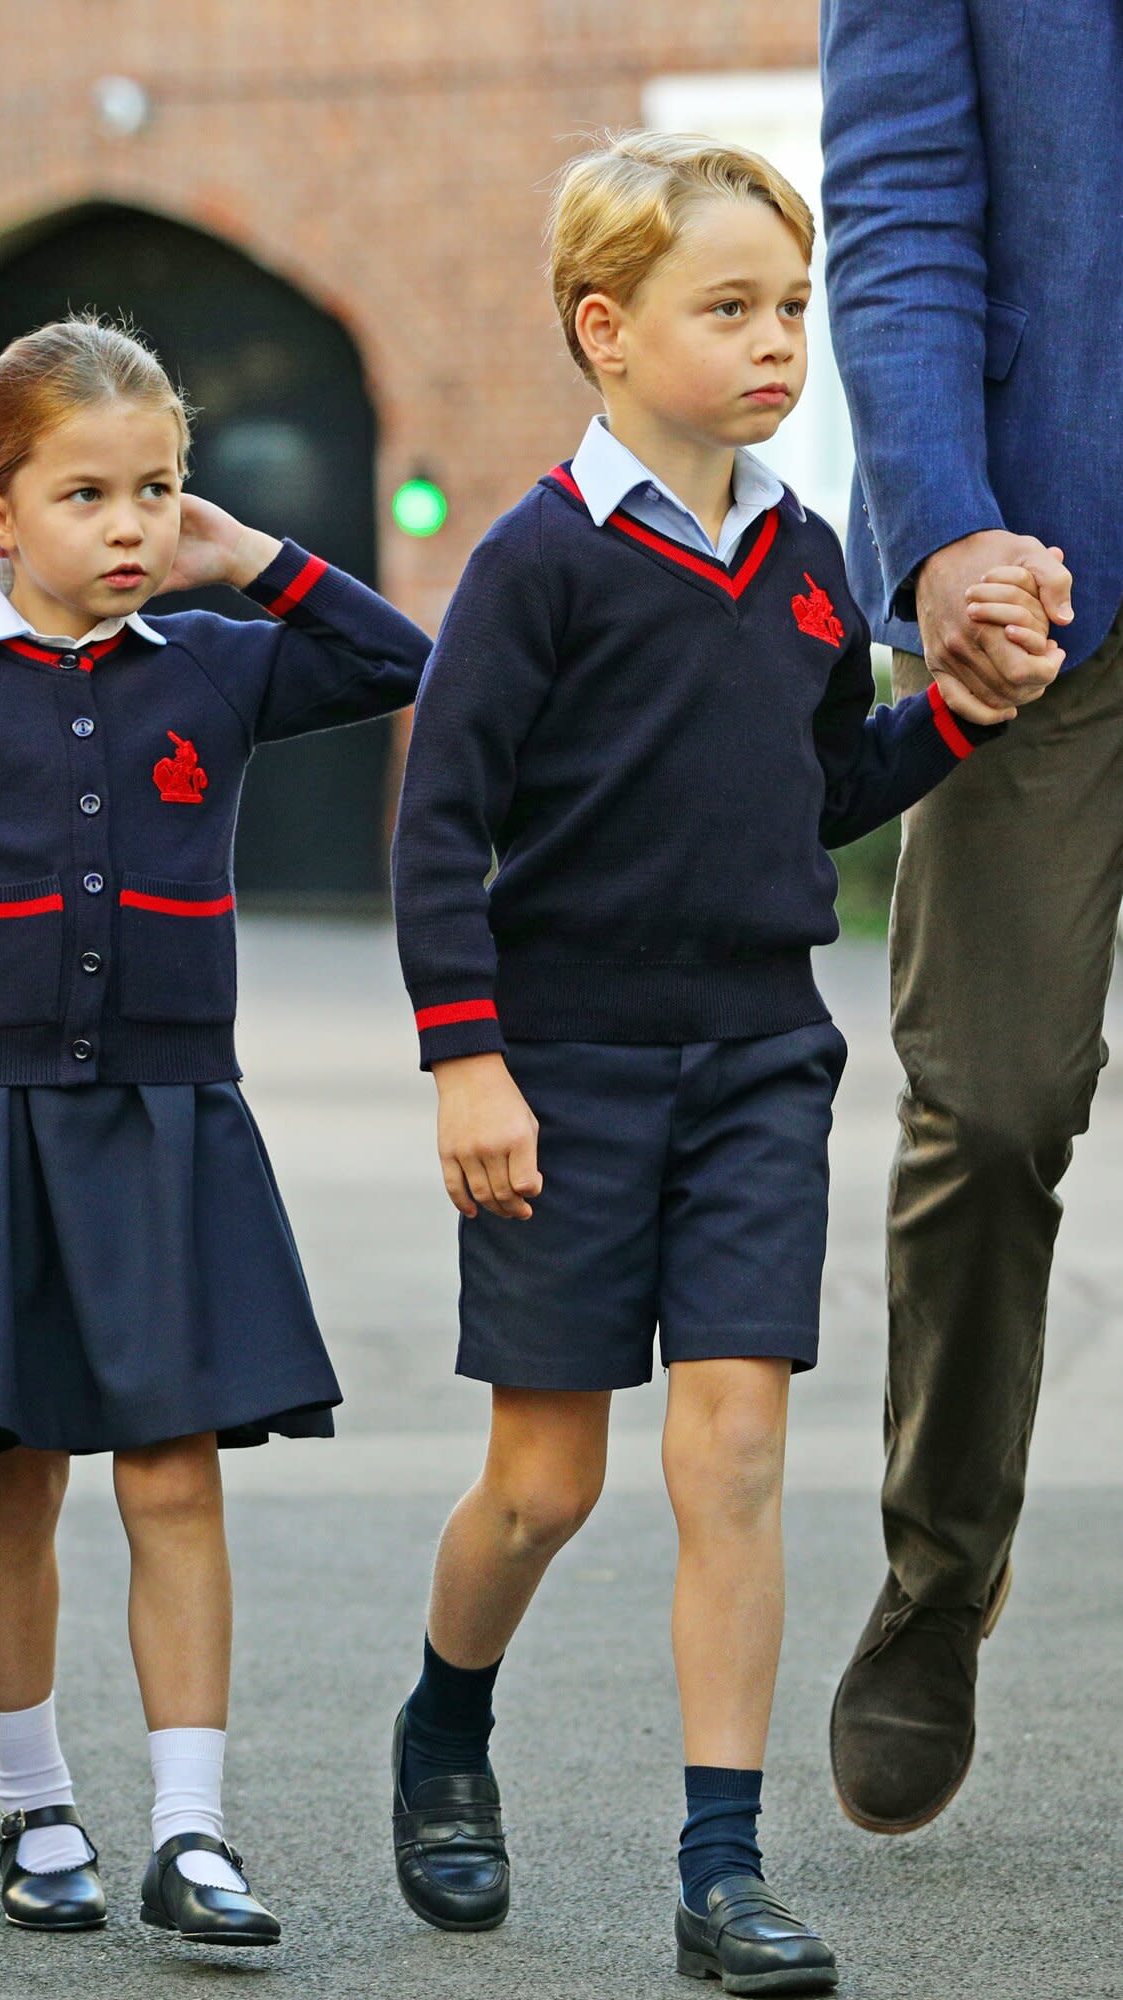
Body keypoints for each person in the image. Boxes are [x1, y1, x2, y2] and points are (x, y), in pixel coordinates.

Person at [387, 132, 1058, 1996]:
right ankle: (444, 1729)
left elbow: (821, 789)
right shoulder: (532, 565)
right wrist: (465, 1065)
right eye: (731, 309)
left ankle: (720, 1869)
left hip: (761, 1057)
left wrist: (953, 722)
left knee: (739, 1452)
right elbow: (438, 837)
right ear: (605, 330)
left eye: (792, 307)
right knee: (542, 1486)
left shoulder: (810, 554)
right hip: (562, 1073)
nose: (779, 343)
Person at [0, 315, 428, 1949]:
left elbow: (402, 669)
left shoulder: (221, 665)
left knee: (173, 1476)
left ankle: (190, 1832)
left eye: (156, 490)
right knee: (12, 1475)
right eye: (86, 493)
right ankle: (35, 1809)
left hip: (175, 1121)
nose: (127, 525)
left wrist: (251, 556)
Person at [820, 0, 1119, 1837]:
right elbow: (907, 192)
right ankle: (939, 1579)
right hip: (1046, 563)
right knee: (991, 1103)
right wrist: (938, 526)